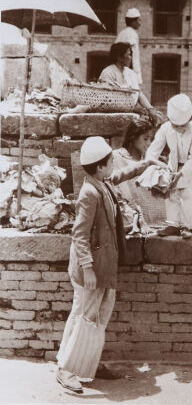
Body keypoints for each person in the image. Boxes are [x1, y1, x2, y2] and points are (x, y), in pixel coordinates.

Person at [55, 137, 124, 393]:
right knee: (83, 318)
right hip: (92, 270)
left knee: (98, 318)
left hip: (103, 267)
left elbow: (123, 175)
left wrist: (147, 163)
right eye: (111, 161)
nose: (114, 164)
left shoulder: (101, 184)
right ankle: (67, 370)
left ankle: (88, 365)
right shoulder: (89, 193)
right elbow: (79, 234)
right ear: (101, 167)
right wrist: (87, 268)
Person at [145, 93, 192, 239]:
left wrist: (182, 173)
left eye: (182, 126)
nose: (178, 128)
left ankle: (186, 226)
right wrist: (153, 166)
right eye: (175, 125)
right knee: (171, 196)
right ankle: (172, 225)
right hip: (172, 167)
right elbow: (153, 150)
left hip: (190, 169)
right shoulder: (165, 128)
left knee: (187, 196)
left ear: (189, 119)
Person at [112, 119, 167, 225]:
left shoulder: (152, 159)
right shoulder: (116, 157)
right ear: (132, 138)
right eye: (145, 139)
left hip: (155, 216)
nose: (149, 143)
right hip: (129, 215)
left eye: (151, 140)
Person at [99, 42, 156, 117]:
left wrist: (150, 110)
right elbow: (108, 100)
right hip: (111, 115)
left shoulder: (131, 73)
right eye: (129, 55)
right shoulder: (108, 72)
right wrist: (132, 110)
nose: (131, 58)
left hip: (129, 112)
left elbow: (138, 93)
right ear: (119, 57)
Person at [115, 8, 142, 85]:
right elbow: (133, 57)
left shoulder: (122, 33)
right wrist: (135, 77)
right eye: (139, 20)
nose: (140, 23)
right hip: (128, 73)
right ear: (133, 21)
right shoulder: (131, 34)